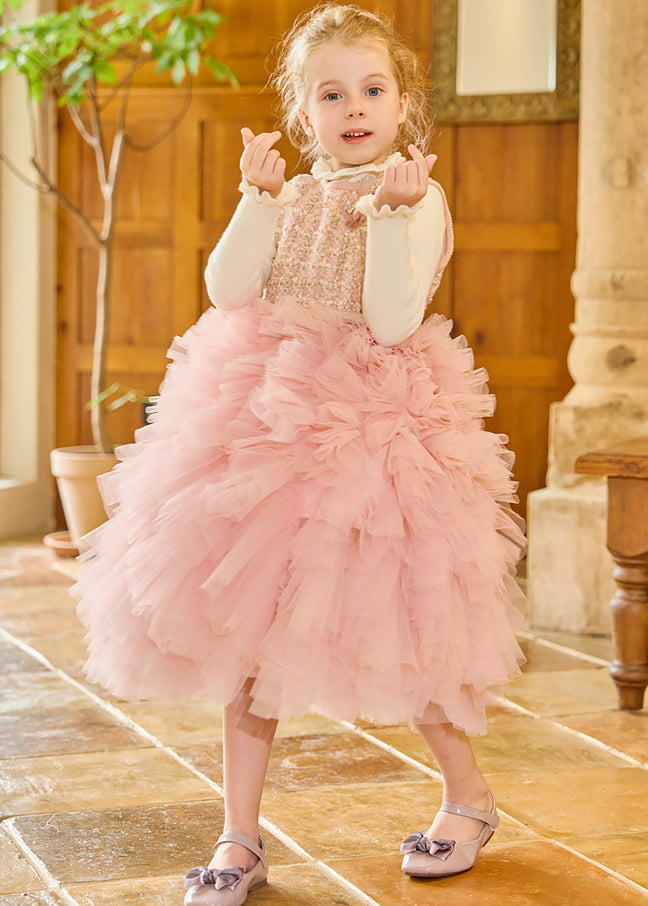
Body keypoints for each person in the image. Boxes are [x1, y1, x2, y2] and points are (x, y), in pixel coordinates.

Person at [74, 4, 526, 904]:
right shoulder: (292, 192)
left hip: (371, 426)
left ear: (404, 104)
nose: (354, 107)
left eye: (373, 89)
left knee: (399, 620)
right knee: (251, 625)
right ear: (302, 110)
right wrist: (256, 199)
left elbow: (392, 319)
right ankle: (239, 835)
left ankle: (468, 794)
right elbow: (228, 290)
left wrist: (392, 217)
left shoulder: (417, 194)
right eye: (331, 93)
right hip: (266, 415)